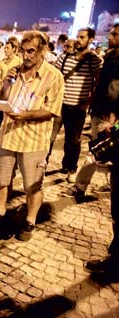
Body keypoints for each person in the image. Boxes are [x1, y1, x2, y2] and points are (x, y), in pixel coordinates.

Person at [0, 31, 64, 241]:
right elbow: (0, 98)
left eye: (31, 51)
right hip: (7, 136)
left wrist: (25, 115)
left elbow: (52, 110)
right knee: (2, 179)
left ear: (43, 50)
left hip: (33, 140)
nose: (26, 56)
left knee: (33, 185)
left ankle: (29, 221)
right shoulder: (15, 71)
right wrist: (5, 84)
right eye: (22, 51)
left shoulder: (53, 76)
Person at [84, 23, 119, 279]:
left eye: (116, 33)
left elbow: (113, 94)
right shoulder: (110, 59)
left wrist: (115, 125)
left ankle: (115, 264)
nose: (111, 36)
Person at [51, 27, 102, 183]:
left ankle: (70, 168)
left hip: (78, 107)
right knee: (49, 137)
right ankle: (41, 163)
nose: (78, 40)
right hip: (59, 105)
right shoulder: (64, 56)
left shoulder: (94, 59)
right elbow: (53, 76)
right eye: (77, 37)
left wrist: (88, 101)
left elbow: (98, 82)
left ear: (90, 39)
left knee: (73, 141)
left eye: (82, 37)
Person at [0, 37, 22, 140]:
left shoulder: (19, 62)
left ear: (14, 49)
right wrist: (0, 87)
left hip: (13, 91)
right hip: (2, 90)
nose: (5, 50)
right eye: (5, 48)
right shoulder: (2, 62)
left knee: (8, 114)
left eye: (7, 48)